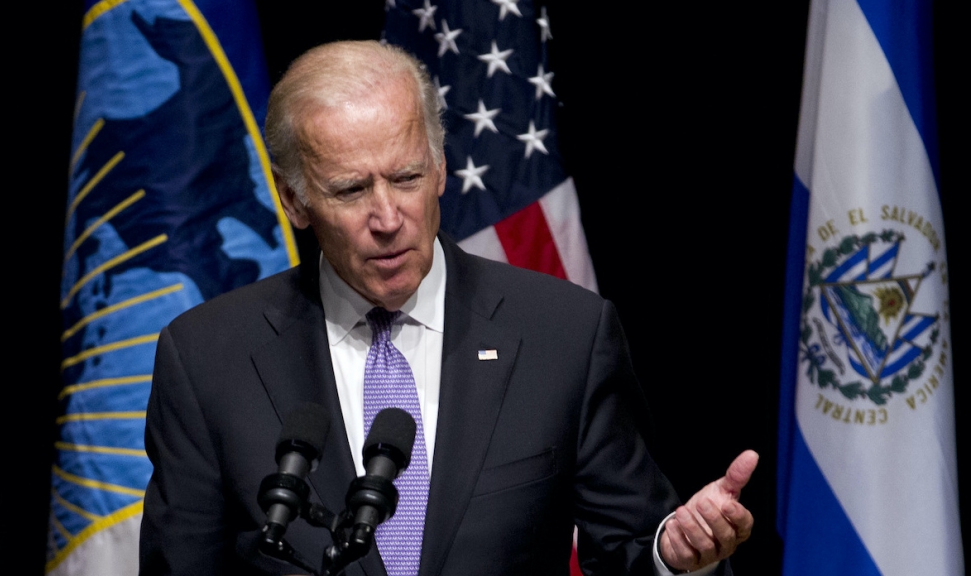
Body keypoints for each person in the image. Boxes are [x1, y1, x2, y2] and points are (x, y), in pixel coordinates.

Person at [139, 40, 756, 576]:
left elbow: (627, 550)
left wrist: (671, 558)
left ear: (439, 168)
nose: (387, 218)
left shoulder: (565, 335)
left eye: (406, 177)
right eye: (352, 190)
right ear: (294, 201)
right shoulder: (206, 360)